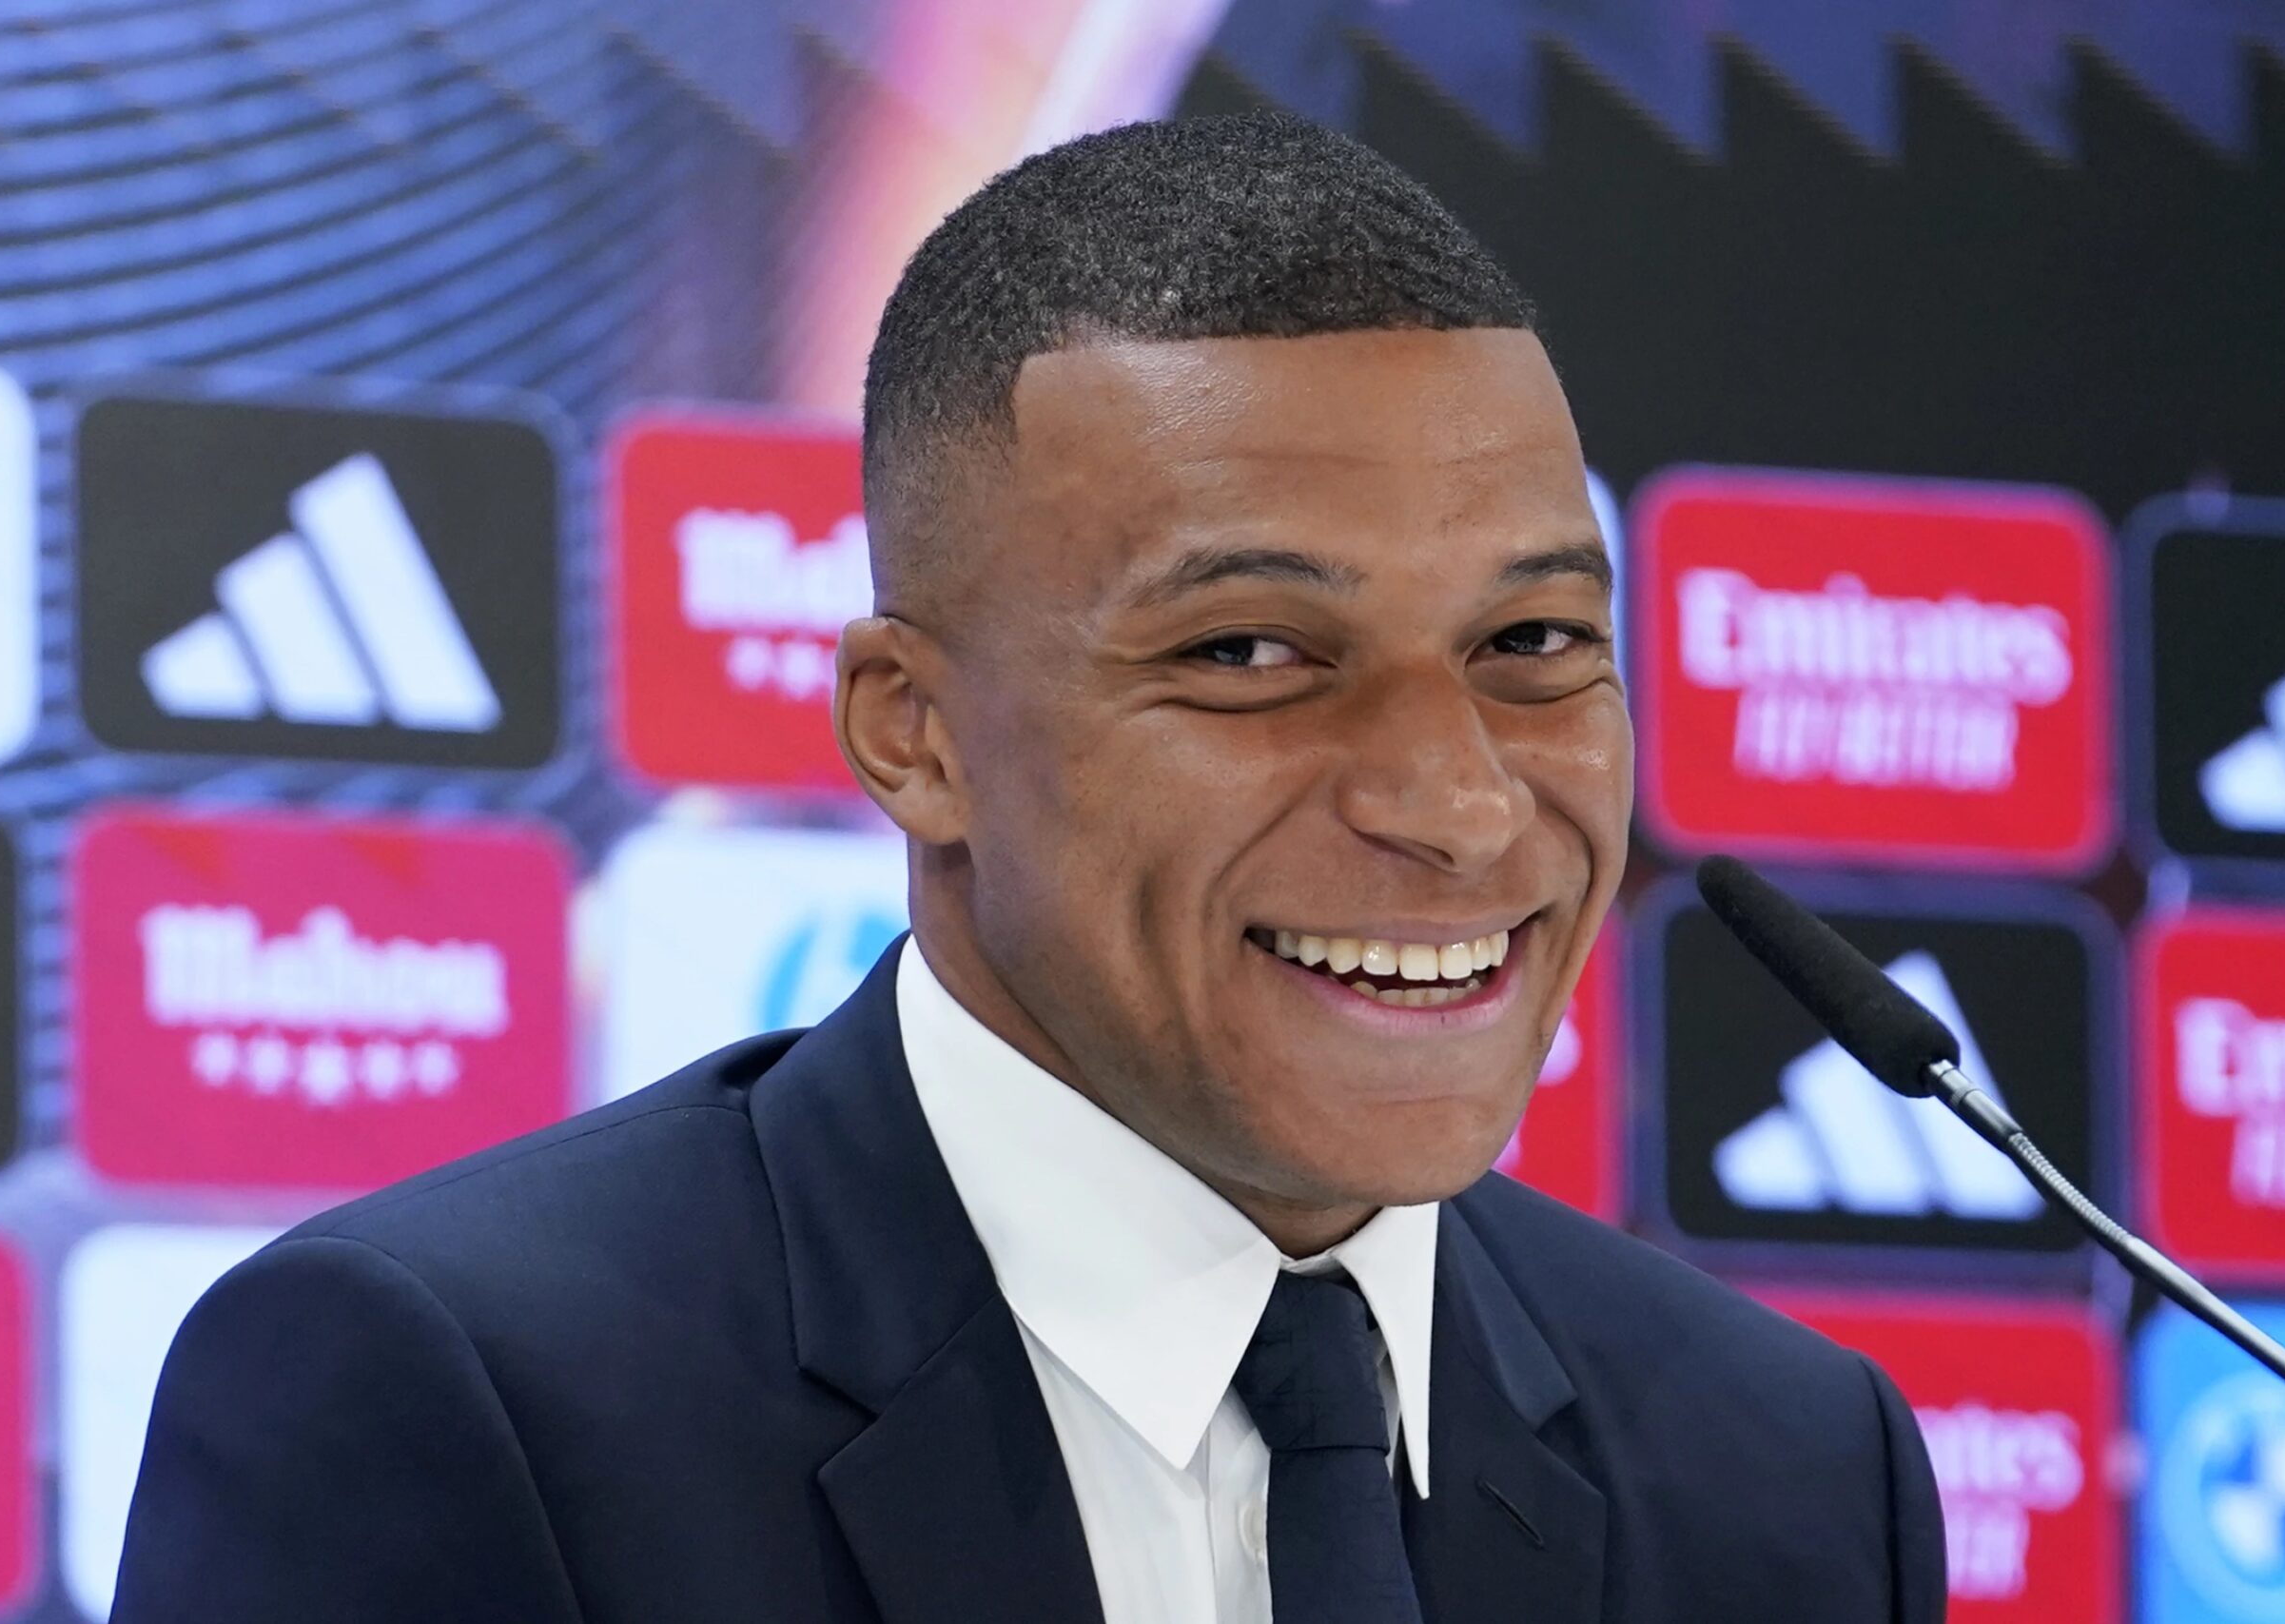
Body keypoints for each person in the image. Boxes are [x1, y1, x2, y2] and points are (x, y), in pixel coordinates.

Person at [112, 112, 1946, 1624]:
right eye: (1248, 655)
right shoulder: (453, 1399)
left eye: (1532, 645)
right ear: (911, 732)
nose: (1459, 806)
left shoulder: (1791, 1469)